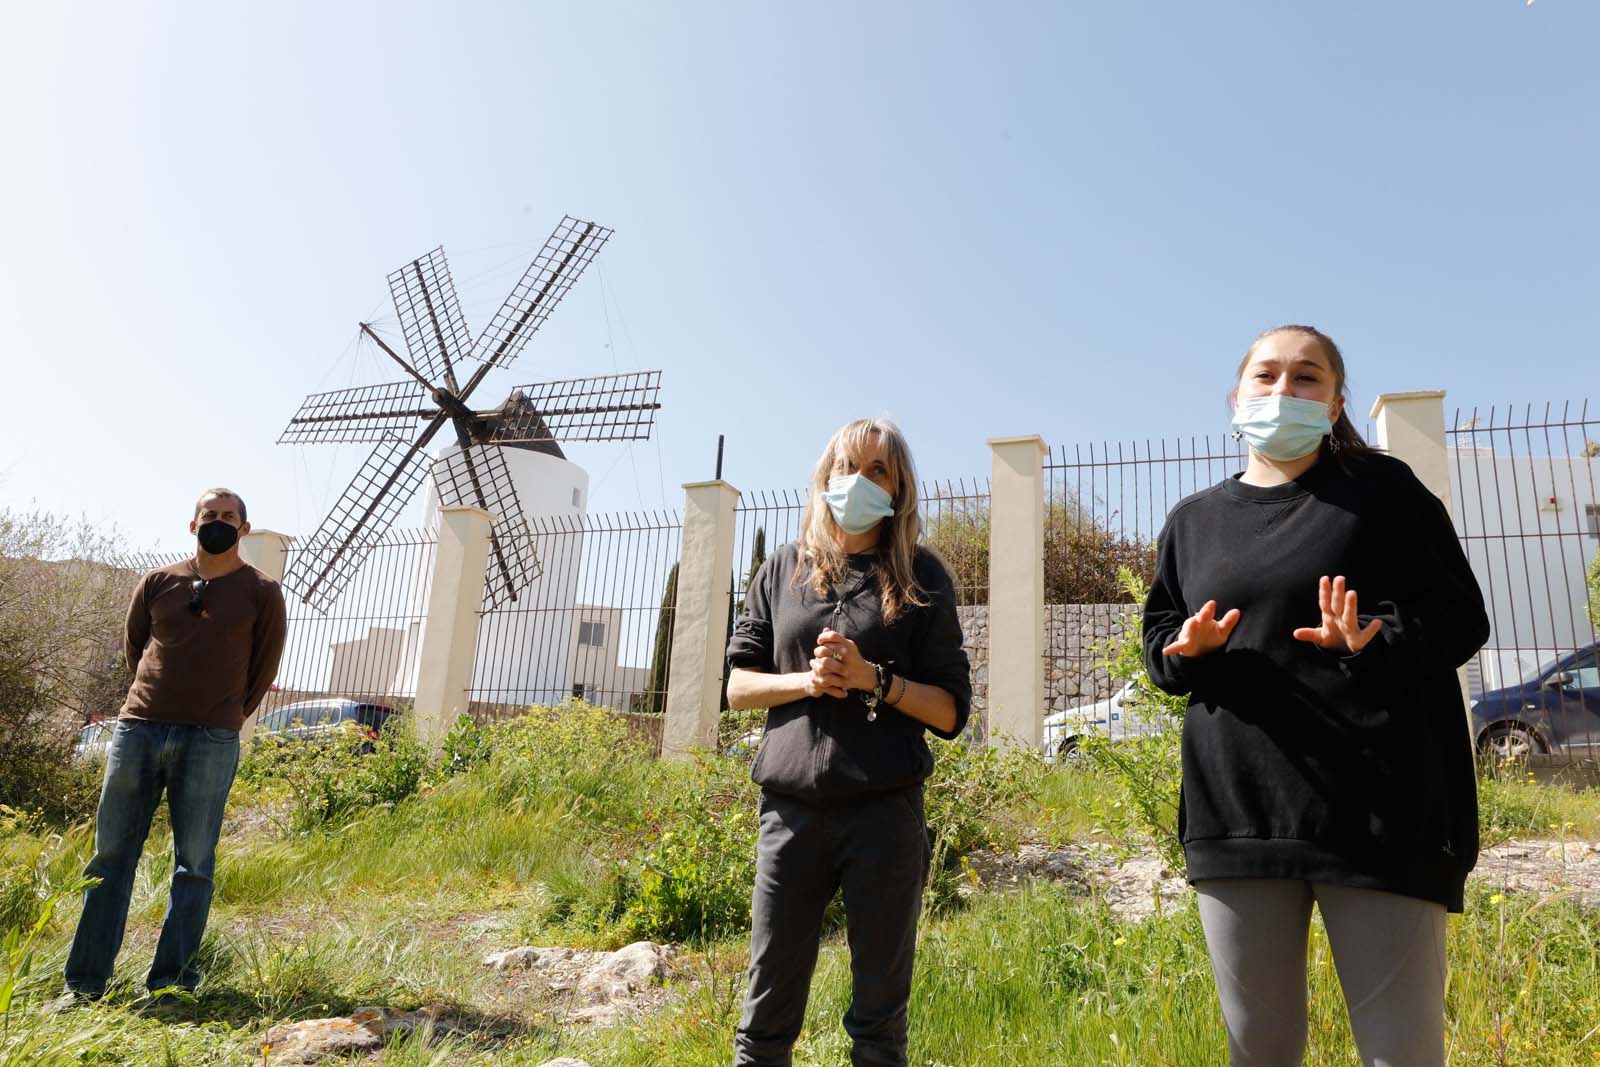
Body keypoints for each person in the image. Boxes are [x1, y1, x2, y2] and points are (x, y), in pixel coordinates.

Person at [1143, 325, 1489, 1066]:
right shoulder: (1192, 522)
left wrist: (1373, 638)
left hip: (1382, 816)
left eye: (1306, 377)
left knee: (1401, 1053)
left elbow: (1461, 617)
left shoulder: (1385, 493)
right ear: (1235, 398)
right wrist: (1185, 649)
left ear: (1335, 404)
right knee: (1259, 1052)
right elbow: (1160, 642)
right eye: (1265, 375)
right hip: (1238, 819)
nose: (1282, 390)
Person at [726, 417, 971, 1067]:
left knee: (878, 1022)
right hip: (791, 810)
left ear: (899, 488)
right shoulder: (782, 568)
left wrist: (874, 679)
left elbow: (949, 711)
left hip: (885, 813)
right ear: (824, 476)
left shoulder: (923, 578)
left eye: (877, 470)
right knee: (765, 1017)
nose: (858, 481)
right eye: (846, 466)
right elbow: (737, 687)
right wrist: (808, 680)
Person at [62, 488, 287, 1005]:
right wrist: (153, 702)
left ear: (244, 529)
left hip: (210, 739)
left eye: (229, 517)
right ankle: (85, 983)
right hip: (139, 730)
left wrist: (224, 715)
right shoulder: (158, 582)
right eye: (209, 515)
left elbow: (264, 668)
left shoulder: (261, 591)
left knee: (195, 863)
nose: (218, 522)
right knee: (110, 856)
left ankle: (171, 986)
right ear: (193, 525)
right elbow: (135, 648)